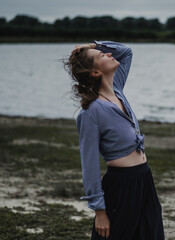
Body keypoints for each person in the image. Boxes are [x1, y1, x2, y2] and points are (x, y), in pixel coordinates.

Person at [64, 40, 165, 240]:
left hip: (144, 178)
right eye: (101, 55)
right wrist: (99, 211)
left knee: (151, 234)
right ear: (95, 72)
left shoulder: (117, 89)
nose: (108, 54)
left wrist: (94, 45)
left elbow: (126, 52)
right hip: (121, 186)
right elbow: (89, 164)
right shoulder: (91, 113)